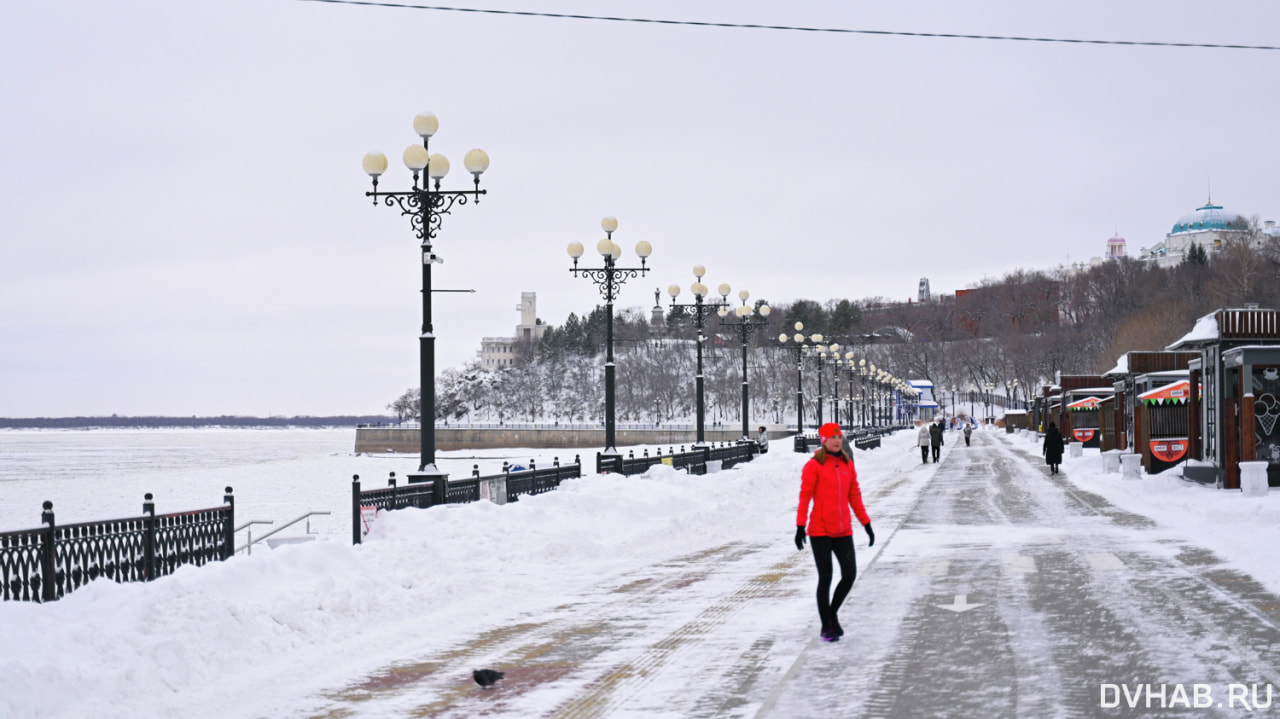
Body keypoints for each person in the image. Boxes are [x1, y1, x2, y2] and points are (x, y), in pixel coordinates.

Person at [796, 422, 874, 642]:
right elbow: (805, 497)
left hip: (842, 530)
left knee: (849, 575)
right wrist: (800, 526)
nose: (837, 441)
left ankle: (831, 615)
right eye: (832, 437)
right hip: (820, 531)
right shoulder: (813, 466)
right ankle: (827, 626)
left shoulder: (847, 463)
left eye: (839, 437)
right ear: (824, 441)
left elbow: (854, 496)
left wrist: (866, 523)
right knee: (826, 577)